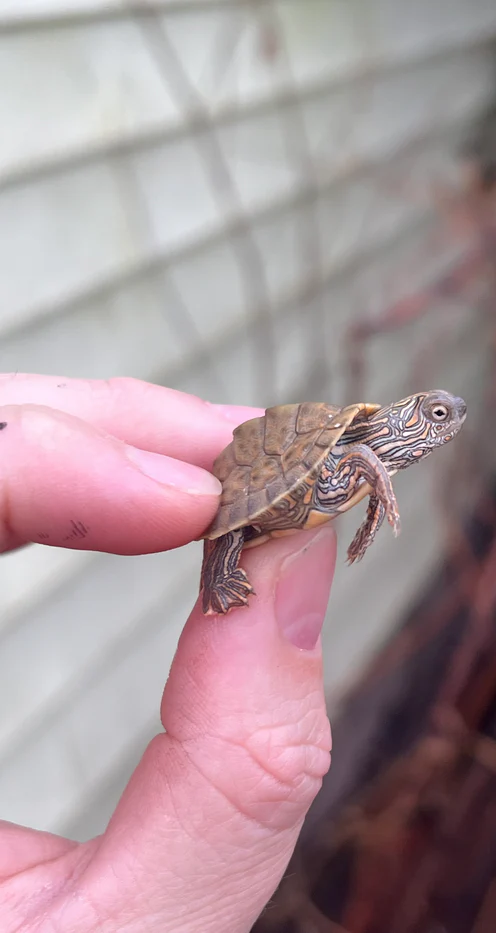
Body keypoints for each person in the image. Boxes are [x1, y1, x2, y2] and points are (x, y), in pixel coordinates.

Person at [0, 374, 336, 933]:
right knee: (228, 529)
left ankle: (222, 576)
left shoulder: (358, 452)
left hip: (299, 481)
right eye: (436, 418)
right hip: (269, 492)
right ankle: (219, 578)